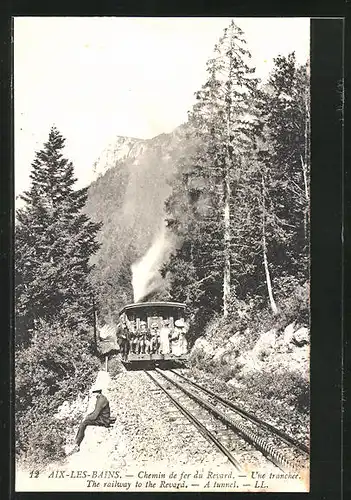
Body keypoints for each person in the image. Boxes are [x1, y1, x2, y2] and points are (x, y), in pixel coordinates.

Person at [68, 386, 115, 455]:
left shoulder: (101, 400)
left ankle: (77, 444)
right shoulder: (101, 398)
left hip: (103, 420)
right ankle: (77, 442)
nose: (92, 395)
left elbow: (94, 416)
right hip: (103, 417)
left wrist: (87, 418)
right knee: (85, 420)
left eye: (93, 393)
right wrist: (88, 416)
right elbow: (95, 412)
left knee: (83, 424)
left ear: (95, 393)